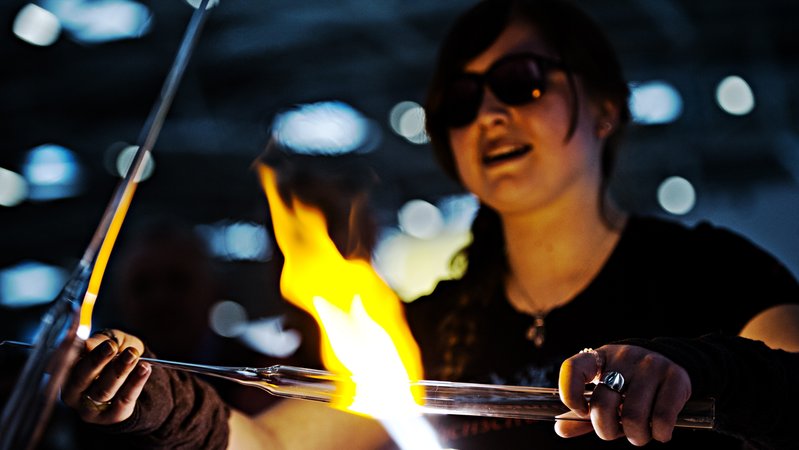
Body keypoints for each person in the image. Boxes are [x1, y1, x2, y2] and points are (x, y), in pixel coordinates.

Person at [59, 0, 799, 449]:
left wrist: (700, 371)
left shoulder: (713, 276)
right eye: (460, 102)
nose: (489, 114)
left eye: (521, 82)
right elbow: (273, 442)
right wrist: (154, 400)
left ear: (605, 107)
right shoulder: (435, 328)